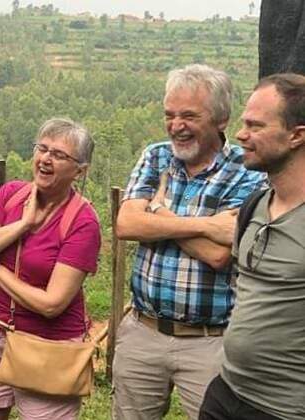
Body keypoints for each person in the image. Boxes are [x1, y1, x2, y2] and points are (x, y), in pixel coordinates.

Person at [113, 64, 267, 420]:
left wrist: (159, 213)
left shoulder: (247, 170)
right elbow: (126, 223)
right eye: (169, 115)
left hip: (210, 340)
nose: (176, 126)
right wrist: (204, 225)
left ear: (221, 119)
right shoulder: (156, 155)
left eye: (189, 116)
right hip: (142, 331)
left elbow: (218, 253)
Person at [0, 118, 101, 420]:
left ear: (80, 170)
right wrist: (23, 224)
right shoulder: (12, 194)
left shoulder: (83, 222)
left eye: (59, 155)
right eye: (42, 149)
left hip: (48, 347)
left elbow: (52, 304)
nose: (46, 159)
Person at [199, 73, 305, 420]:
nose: (241, 135)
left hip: (282, 409)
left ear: (297, 135)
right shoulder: (254, 206)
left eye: (256, 126)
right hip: (226, 391)